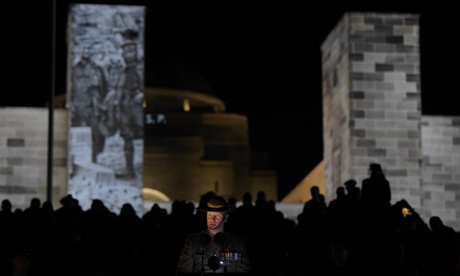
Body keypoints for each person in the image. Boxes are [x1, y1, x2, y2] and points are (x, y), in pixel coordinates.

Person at [176, 196, 251, 274]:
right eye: (209, 215)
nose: (212, 219)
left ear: (226, 218)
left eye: (217, 216)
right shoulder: (192, 242)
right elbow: (183, 272)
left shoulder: (238, 245)